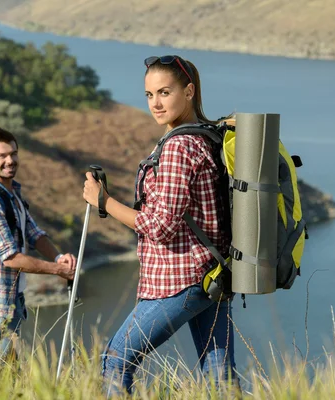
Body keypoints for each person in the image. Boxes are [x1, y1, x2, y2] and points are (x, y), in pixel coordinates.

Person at [83, 55, 238, 395]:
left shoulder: (179, 146)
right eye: (149, 95)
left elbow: (161, 226)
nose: (155, 103)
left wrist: (104, 202)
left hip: (179, 281)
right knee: (219, 377)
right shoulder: (207, 135)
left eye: (164, 92)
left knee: (116, 358)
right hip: (213, 275)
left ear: (189, 91)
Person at [0, 127, 77, 360]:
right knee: (0, 368)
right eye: (2, 156)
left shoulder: (12, 193)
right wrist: (58, 270)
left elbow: (34, 233)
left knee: (11, 368)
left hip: (13, 296)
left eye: (14, 154)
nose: (10, 160)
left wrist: (59, 257)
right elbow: (10, 259)